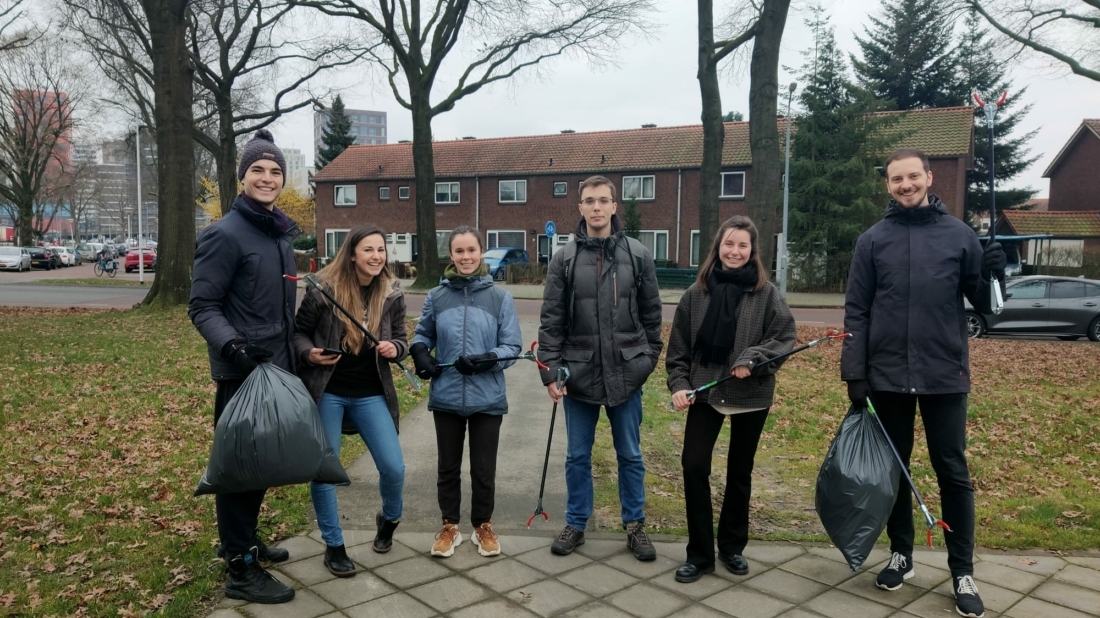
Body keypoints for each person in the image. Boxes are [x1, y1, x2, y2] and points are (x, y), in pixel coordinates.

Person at [841, 148, 1006, 618]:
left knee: (952, 471)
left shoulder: (960, 235)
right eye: (897, 179)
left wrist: (995, 271)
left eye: (913, 176)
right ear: (888, 184)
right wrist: (855, 373)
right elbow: (857, 311)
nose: (906, 184)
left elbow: (988, 305)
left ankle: (962, 572)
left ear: (929, 178)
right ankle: (901, 554)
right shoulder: (873, 241)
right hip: (887, 375)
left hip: (943, 374)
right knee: (895, 471)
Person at [188, 129, 299, 605]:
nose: (267, 177)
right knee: (240, 468)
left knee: (260, 464)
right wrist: (235, 347)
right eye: (257, 169)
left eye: (275, 171)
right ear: (242, 177)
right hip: (242, 372)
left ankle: (245, 540)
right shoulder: (225, 234)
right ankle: (239, 567)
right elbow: (202, 306)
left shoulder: (277, 234)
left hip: (276, 368)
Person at [537, 175, 663, 561]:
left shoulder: (638, 255)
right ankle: (576, 523)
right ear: (580, 207)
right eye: (589, 200)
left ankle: (635, 525)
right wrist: (550, 372)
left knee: (630, 455)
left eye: (603, 200)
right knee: (577, 456)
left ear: (613, 206)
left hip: (627, 373)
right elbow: (551, 321)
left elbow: (652, 316)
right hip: (579, 375)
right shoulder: (564, 259)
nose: (596, 207)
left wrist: (646, 360)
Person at [667, 215, 796, 583]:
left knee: (740, 471)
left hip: (751, 394)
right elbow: (678, 351)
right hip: (706, 392)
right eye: (729, 243)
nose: (734, 251)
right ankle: (700, 555)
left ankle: (732, 547)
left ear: (752, 251)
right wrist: (679, 384)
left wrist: (752, 359)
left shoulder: (766, 294)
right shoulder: (695, 295)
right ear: (718, 247)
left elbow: (784, 337)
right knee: (694, 466)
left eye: (742, 245)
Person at [293, 224, 408, 578]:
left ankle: (389, 518)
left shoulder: (391, 293)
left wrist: (395, 348)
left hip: (371, 392)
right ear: (353, 254)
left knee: (393, 468)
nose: (376, 256)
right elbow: (298, 333)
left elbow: (402, 338)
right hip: (328, 391)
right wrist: (309, 354)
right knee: (325, 470)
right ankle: (333, 544)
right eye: (368, 249)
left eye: (381, 249)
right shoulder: (323, 290)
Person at [409, 226, 522, 558]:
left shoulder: (500, 298)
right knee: (447, 466)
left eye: (471, 250)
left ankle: (483, 525)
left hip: (487, 397)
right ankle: (449, 526)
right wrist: (420, 352)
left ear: (481, 251)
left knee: (483, 468)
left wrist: (486, 359)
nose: (466, 256)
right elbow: (422, 334)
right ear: (451, 255)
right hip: (446, 396)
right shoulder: (436, 296)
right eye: (459, 251)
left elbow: (512, 347)